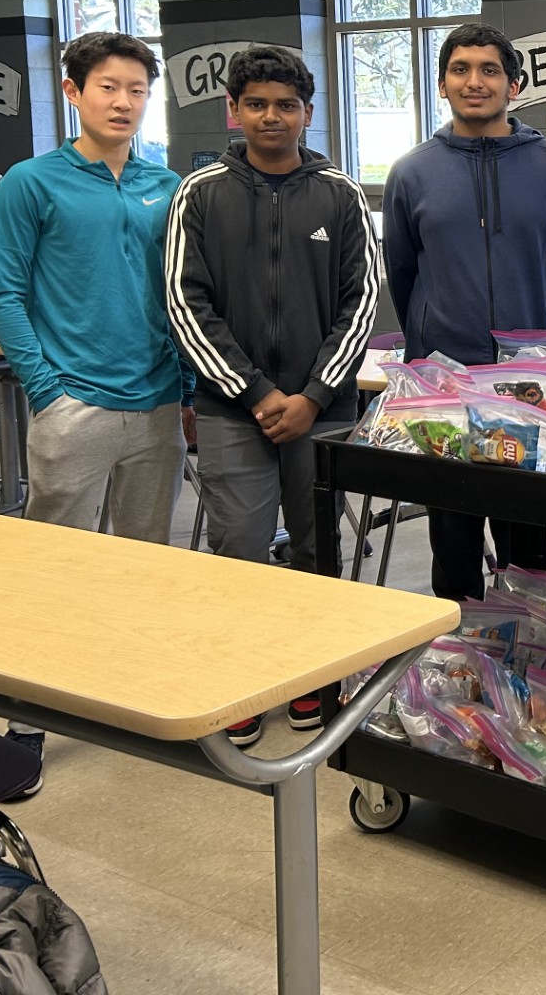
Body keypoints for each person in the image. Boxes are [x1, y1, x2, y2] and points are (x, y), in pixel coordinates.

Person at [0, 31, 194, 796]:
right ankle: (28, 720)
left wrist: (187, 391)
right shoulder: (33, 183)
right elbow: (1, 292)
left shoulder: (164, 185)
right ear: (74, 92)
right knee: (56, 570)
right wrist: (46, 386)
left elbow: (178, 297)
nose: (124, 102)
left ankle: (129, 698)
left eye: (137, 90)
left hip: (157, 403)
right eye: (108, 87)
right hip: (73, 404)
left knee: (144, 562)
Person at [165, 46, 379, 746]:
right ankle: (247, 681)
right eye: (256, 103)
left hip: (324, 411)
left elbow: (363, 301)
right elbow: (184, 300)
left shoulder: (341, 195)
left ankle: (316, 675)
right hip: (234, 411)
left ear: (308, 114)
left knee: (319, 551)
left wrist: (314, 395)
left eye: (286, 105)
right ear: (235, 111)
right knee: (239, 548)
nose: (272, 117)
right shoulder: (199, 192)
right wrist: (256, 393)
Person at [383, 23, 546, 600]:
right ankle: (459, 666)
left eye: (490, 69)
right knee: (452, 533)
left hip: (530, 382)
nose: (475, 81)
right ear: (443, 85)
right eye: (461, 69)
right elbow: (403, 273)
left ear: (514, 85)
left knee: (527, 539)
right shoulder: (412, 173)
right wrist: (429, 344)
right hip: (446, 380)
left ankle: (528, 656)